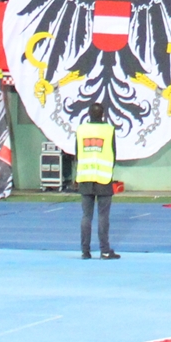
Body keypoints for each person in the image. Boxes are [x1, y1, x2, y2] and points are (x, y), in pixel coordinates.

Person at [74, 107, 121, 260]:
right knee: (103, 216)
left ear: (88, 114)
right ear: (103, 115)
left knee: (86, 216)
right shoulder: (108, 130)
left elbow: (77, 153)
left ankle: (85, 251)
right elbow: (113, 153)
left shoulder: (81, 130)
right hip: (103, 177)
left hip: (85, 176)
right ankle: (105, 251)